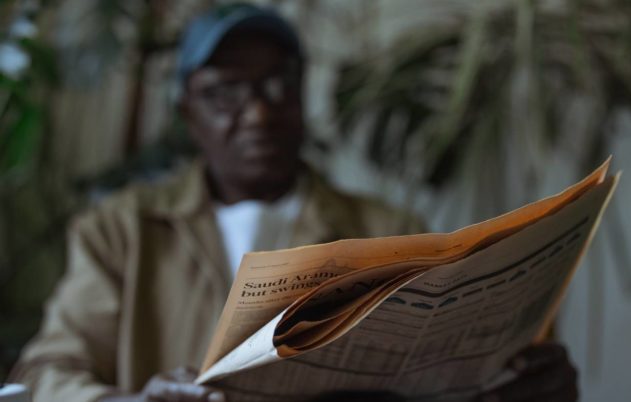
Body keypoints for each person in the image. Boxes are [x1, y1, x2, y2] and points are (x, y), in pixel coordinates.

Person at [10, 4, 577, 402]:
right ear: (188, 114)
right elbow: (46, 373)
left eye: (277, 85)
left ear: (302, 94)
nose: (258, 113)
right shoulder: (120, 231)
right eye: (224, 93)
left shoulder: (387, 229)